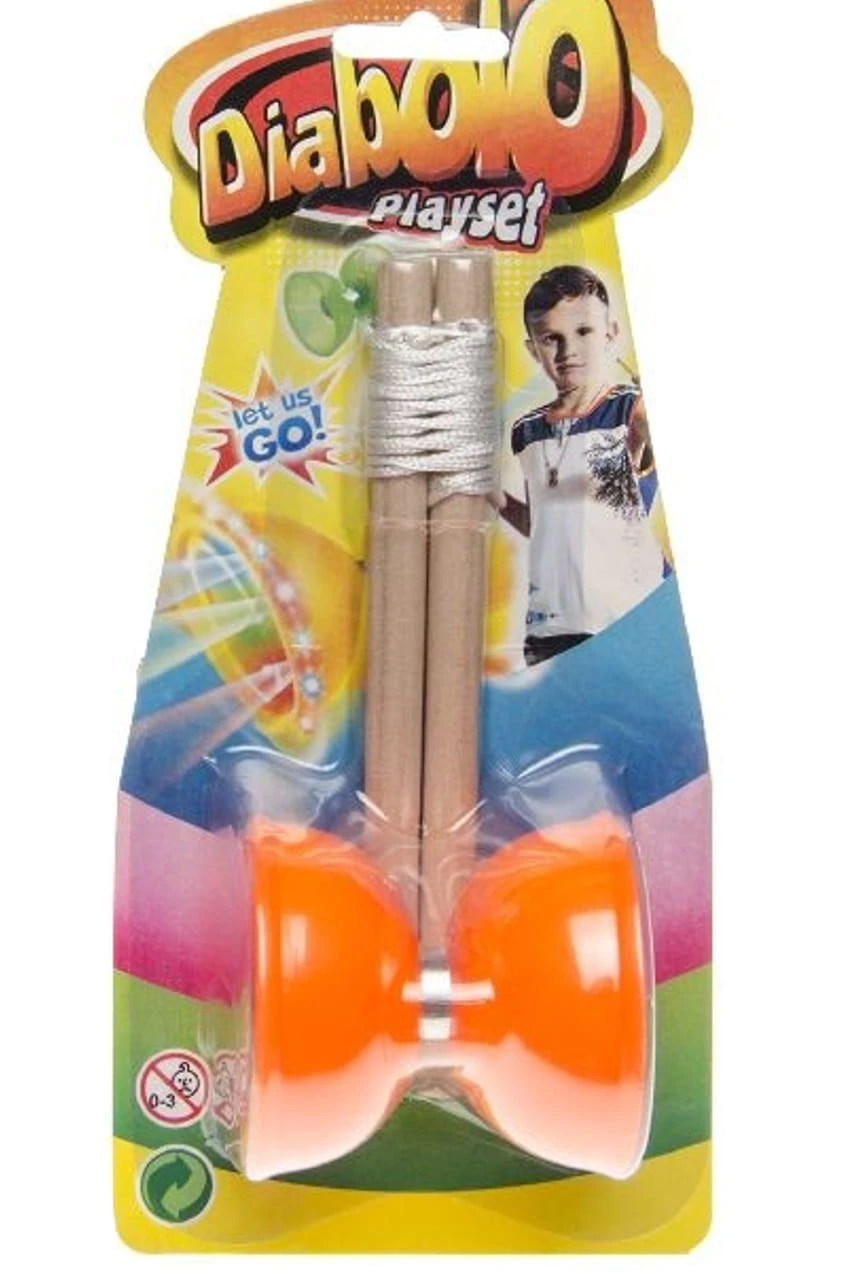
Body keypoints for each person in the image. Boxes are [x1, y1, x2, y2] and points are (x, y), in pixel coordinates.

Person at [499, 265, 663, 666]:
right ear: (533, 349)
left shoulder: (628, 409)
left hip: (625, 615)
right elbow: (539, 521)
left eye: (584, 331)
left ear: (610, 334)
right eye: (551, 338)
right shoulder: (525, 431)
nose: (567, 350)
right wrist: (489, 494)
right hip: (549, 627)